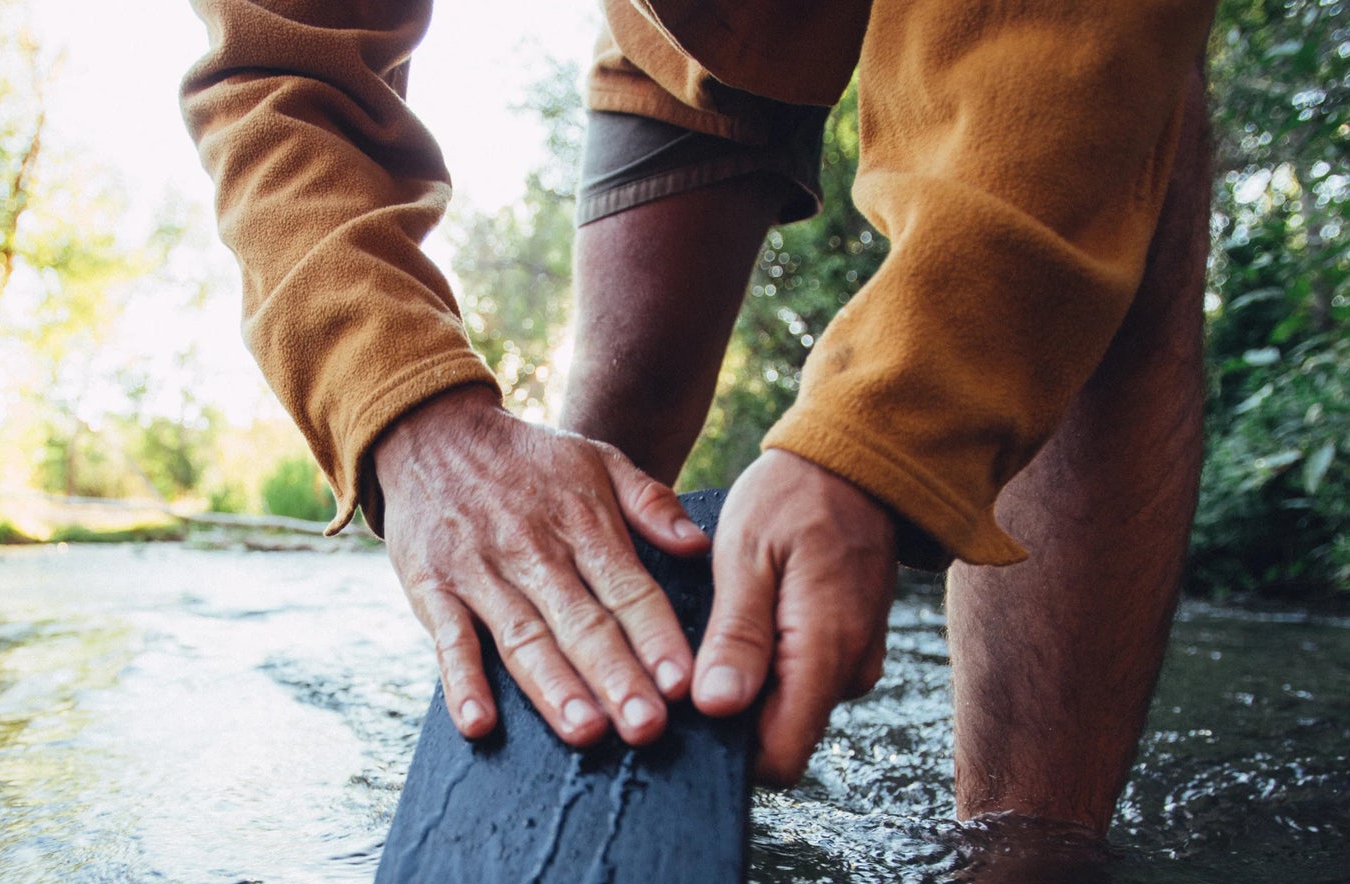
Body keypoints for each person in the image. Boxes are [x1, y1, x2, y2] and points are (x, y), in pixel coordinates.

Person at [183, 0, 1217, 836]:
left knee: (1123, 190)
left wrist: (876, 442)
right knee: (600, 458)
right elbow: (276, 73)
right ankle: (540, 790)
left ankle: (1029, 883)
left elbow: (1059, 72)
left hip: (1019, 27)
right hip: (683, 31)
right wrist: (412, 413)